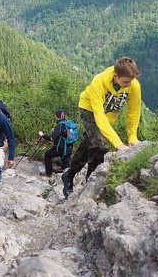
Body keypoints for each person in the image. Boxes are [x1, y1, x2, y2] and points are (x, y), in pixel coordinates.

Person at [61, 57, 141, 199]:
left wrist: (132, 137)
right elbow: (99, 116)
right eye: (126, 82)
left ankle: (69, 175)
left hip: (107, 116)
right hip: (89, 109)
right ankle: (91, 183)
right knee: (100, 144)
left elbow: (133, 112)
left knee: (90, 143)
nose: (129, 85)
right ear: (116, 75)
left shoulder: (133, 85)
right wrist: (118, 143)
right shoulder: (99, 81)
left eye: (131, 81)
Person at [38, 109, 73, 178]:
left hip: (62, 149)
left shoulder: (59, 126)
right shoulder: (67, 124)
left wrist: (42, 135)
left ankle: (49, 173)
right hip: (69, 148)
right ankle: (67, 174)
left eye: (55, 116)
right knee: (66, 164)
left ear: (58, 117)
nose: (55, 117)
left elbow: (51, 138)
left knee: (47, 155)